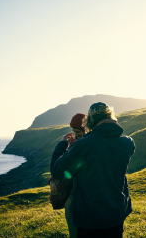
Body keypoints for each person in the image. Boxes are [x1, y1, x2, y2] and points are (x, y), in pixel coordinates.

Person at [50, 102, 135, 238]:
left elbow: (56, 171)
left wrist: (62, 144)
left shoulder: (81, 146)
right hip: (116, 213)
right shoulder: (128, 143)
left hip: (89, 217)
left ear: (89, 121)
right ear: (111, 117)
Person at [49, 113, 87, 238]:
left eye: (78, 131)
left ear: (86, 128)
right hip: (74, 196)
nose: (76, 135)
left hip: (78, 198)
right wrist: (52, 181)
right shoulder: (76, 143)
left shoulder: (80, 146)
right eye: (74, 132)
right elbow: (64, 168)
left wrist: (62, 144)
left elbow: (59, 168)